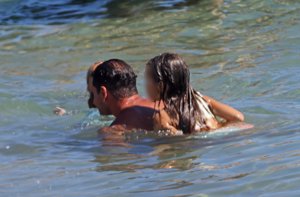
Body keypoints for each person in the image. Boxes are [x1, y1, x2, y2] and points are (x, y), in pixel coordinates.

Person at [145, 52, 245, 134]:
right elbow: (238, 117)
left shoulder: (162, 116)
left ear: (160, 85)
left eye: (147, 80)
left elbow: (172, 147)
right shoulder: (203, 100)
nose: (145, 85)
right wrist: (217, 129)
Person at [89, 59, 158, 132]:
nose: (93, 102)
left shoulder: (114, 131)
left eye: (93, 94)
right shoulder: (163, 105)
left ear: (103, 93)